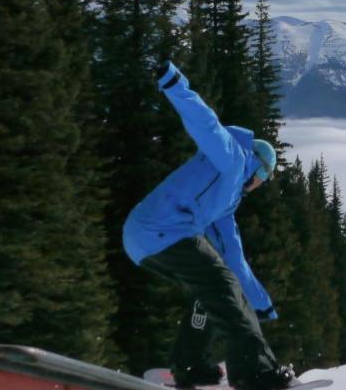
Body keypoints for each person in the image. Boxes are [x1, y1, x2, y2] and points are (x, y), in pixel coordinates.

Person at [123, 62, 294, 390]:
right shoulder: (232, 159)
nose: (261, 185)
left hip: (148, 236)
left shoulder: (227, 201)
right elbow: (205, 123)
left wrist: (259, 301)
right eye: (265, 178)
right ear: (259, 169)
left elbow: (233, 255)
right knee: (220, 286)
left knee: (212, 288)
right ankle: (255, 374)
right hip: (161, 229)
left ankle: (190, 366)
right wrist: (174, 82)